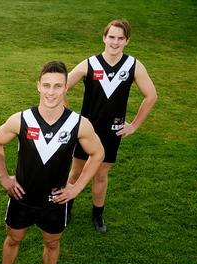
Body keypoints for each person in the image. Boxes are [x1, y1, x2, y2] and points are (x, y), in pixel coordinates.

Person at [0, 61, 104, 264]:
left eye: (58, 86)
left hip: (55, 202)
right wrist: (4, 178)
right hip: (22, 198)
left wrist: (76, 187)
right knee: (13, 239)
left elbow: (98, 153)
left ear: (65, 89)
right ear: (38, 86)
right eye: (47, 86)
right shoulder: (22, 119)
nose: (52, 92)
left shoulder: (78, 124)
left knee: (52, 243)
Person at [65, 19, 157, 233]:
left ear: (127, 41)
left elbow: (151, 96)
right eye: (111, 37)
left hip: (111, 132)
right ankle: (66, 207)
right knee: (76, 172)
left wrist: (133, 125)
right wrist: (70, 119)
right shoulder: (90, 64)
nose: (115, 42)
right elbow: (62, 87)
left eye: (120, 38)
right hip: (85, 131)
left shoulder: (133, 65)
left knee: (100, 175)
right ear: (104, 38)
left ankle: (97, 215)